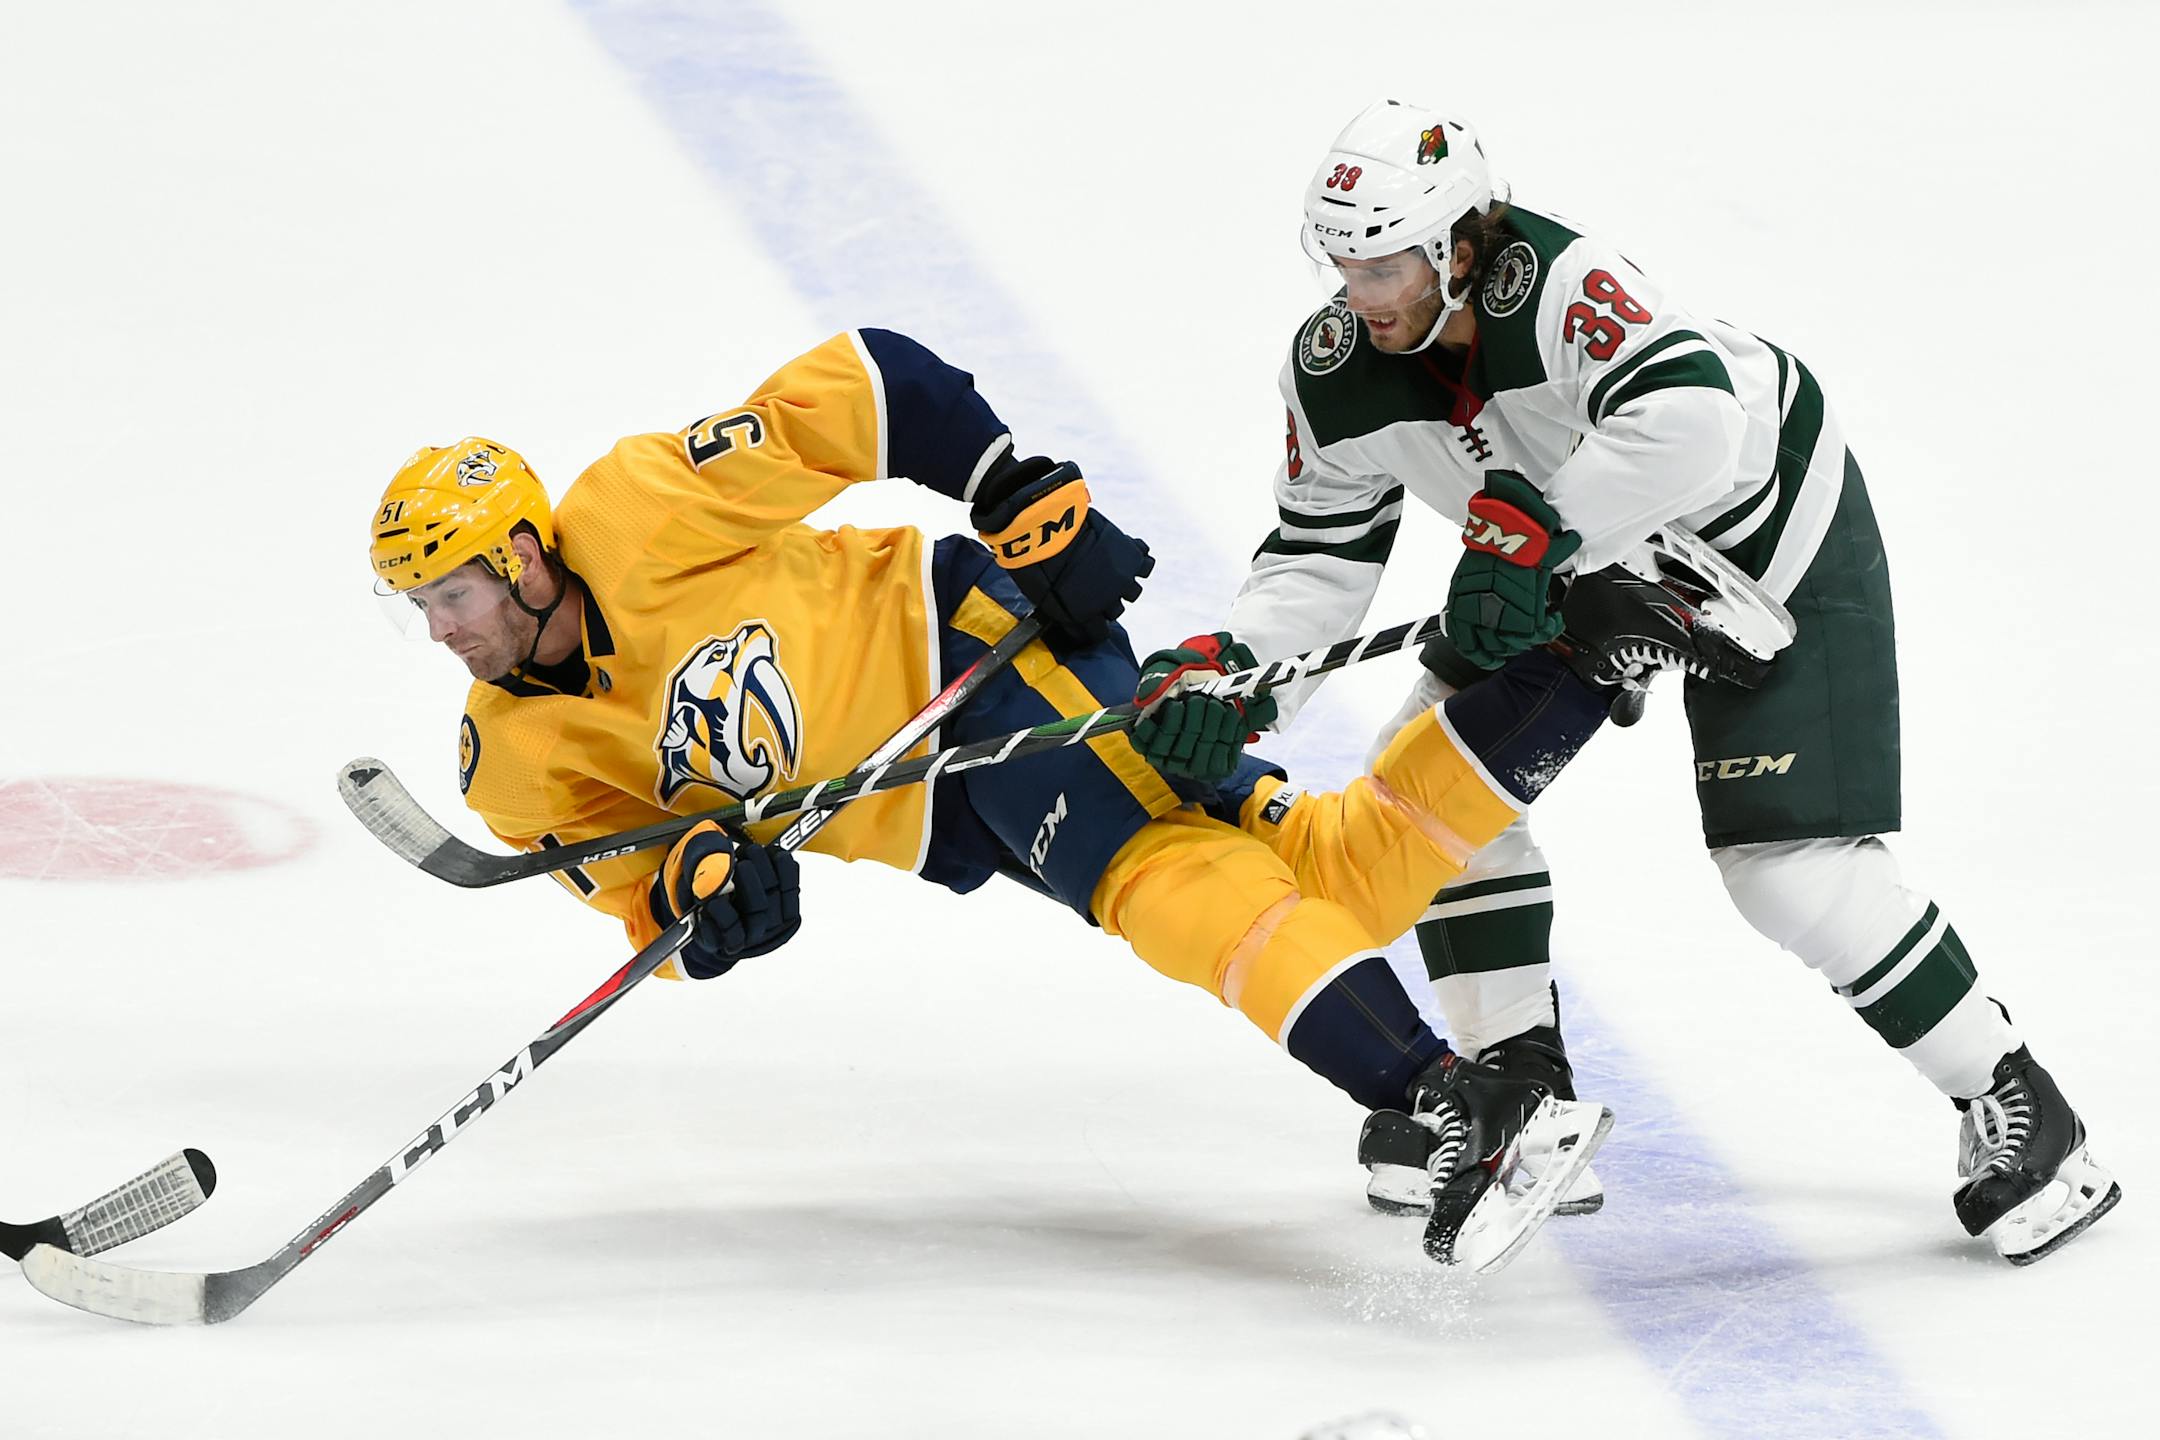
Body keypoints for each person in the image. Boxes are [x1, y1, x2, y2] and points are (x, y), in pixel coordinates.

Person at [363, 327, 1675, 1266]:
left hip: (976, 653)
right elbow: (629, 886)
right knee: (1334, 872)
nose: (442, 630)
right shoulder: (511, 758)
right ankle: (1595, 650)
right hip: (949, 795)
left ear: (525, 555)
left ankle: (1463, 1102)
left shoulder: (638, 511)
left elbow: (866, 387)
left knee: (1169, 892)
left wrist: (1010, 494)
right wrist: (703, 898)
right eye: (425, 607)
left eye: (455, 595)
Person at [1131, 99, 2118, 1264]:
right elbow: (1314, 558)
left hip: (1756, 532)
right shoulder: (1334, 366)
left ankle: (2019, 1107)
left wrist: (1547, 535)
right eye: (1341, 264)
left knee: (1787, 872)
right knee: (1425, 813)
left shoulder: (1558, 284)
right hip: (1560, 559)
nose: (1363, 294)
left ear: (1458, 242)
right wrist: (1242, 676)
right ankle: (1520, 1101)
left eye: (1388, 263)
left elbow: (1693, 417)